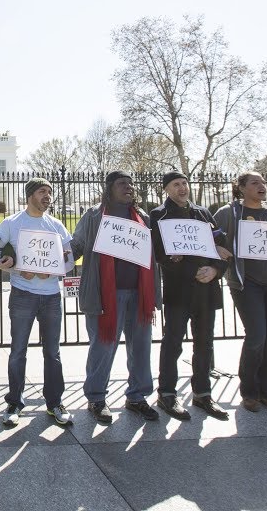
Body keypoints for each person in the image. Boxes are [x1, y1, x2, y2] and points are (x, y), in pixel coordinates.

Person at [71, 170, 160, 425]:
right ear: (109, 188)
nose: (129, 187)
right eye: (122, 184)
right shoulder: (94, 216)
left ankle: (137, 396)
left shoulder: (142, 217)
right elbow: (76, 245)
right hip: (104, 296)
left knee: (141, 347)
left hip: (139, 295)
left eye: (131, 184)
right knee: (103, 347)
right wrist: (59, 256)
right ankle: (97, 398)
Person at [149, 171, 233, 421]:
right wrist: (182, 265)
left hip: (207, 290)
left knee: (204, 343)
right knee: (173, 343)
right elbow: (158, 252)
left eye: (185, 183)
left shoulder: (203, 214)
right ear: (166, 189)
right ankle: (166, 394)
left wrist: (216, 270)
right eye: (176, 185)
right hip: (179, 291)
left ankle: (202, 393)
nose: (182, 188)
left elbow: (223, 246)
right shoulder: (158, 215)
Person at [0, 177, 75, 427]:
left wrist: (52, 270)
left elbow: (70, 260)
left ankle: (54, 403)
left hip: (51, 296)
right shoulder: (11, 223)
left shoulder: (57, 225)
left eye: (50, 192)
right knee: (18, 351)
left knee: (53, 352)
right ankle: (14, 403)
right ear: (30, 195)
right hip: (22, 294)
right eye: (42, 192)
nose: (47, 196)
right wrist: (15, 268)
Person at [213, 171, 267, 414]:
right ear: (241, 187)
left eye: (263, 182)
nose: (262, 186)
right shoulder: (229, 212)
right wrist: (217, 246)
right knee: (256, 336)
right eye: (255, 182)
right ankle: (249, 392)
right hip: (248, 284)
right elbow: (208, 233)